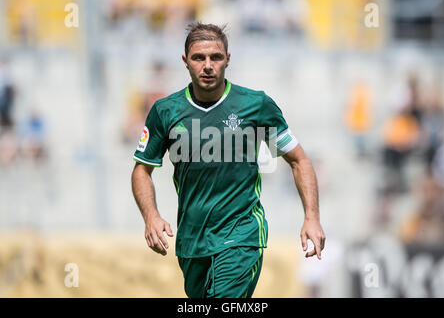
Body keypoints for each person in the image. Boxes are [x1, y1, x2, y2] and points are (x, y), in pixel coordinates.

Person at [131, 22, 325, 298]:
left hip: (241, 235)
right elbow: (142, 170)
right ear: (185, 62)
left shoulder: (255, 105)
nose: (208, 65)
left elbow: (299, 161)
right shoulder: (166, 111)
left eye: (216, 57)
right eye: (199, 58)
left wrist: (312, 218)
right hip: (192, 242)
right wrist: (150, 216)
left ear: (228, 60)